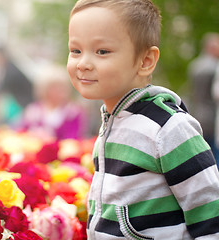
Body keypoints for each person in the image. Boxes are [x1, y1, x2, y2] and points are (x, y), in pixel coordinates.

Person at [67, 0, 219, 239]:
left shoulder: (168, 128)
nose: (83, 63)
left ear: (145, 61)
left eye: (102, 51)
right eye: (75, 50)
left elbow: (210, 212)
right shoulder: (114, 120)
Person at [19, 65, 88, 140]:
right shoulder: (33, 110)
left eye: (62, 86)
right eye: (55, 87)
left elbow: (74, 139)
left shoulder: (73, 112)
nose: (60, 90)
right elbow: (22, 133)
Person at [188, 32, 219, 163]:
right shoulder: (214, 68)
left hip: (197, 113)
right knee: (214, 154)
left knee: (202, 153)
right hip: (211, 117)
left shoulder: (194, 66)